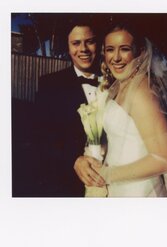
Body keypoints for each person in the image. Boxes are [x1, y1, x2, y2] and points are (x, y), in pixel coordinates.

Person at [74, 22, 167, 197]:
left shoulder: (142, 93)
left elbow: (164, 160)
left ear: (139, 52)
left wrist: (108, 175)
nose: (116, 58)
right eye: (110, 49)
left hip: (138, 191)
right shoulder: (120, 86)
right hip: (117, 187)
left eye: (124, 49)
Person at [34, 17, 101, 197]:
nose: (83, 49)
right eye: (76, 43)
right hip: (68, 187)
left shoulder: (117, 82)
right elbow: (40, 138)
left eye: (90, 42)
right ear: (68, 47)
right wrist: (74, 159)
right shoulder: (50, 84)